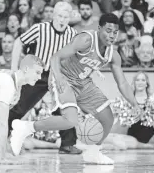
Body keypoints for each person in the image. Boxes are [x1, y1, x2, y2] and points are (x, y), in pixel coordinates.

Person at [10, 13, 142, 164]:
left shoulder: (113, 55)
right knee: (70, 120)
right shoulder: (85, 40)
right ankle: (25, 127)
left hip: (83, 81)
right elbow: (56, 57)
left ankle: (93, 153)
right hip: (63, 76)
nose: (111, 35)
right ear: (99, 29)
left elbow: (122, 83)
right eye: (108, 30)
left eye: (115, 32)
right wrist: (58, 77)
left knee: (108, 118)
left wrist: (134, 103)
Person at [9, 1, 80, 155]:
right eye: (59, 16)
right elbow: (18, 42)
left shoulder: (72, 34)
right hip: (38, 73)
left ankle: (67, 144)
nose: (62, 20)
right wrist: (14, 69)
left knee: (65, 108)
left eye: (65, 17)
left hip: (58, 75)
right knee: (20, 106)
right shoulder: (40, 28)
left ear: (69, 19)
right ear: (54, 16)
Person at [106, 72, 154, 150]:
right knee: (118, 142)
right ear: (134, 83)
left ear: (146, 83)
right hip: (132, 137)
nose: (140, 82)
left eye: (143, 80)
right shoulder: (125, 99)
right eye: (137, 80)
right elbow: (115, 118)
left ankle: (148, 146)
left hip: (150, 136)